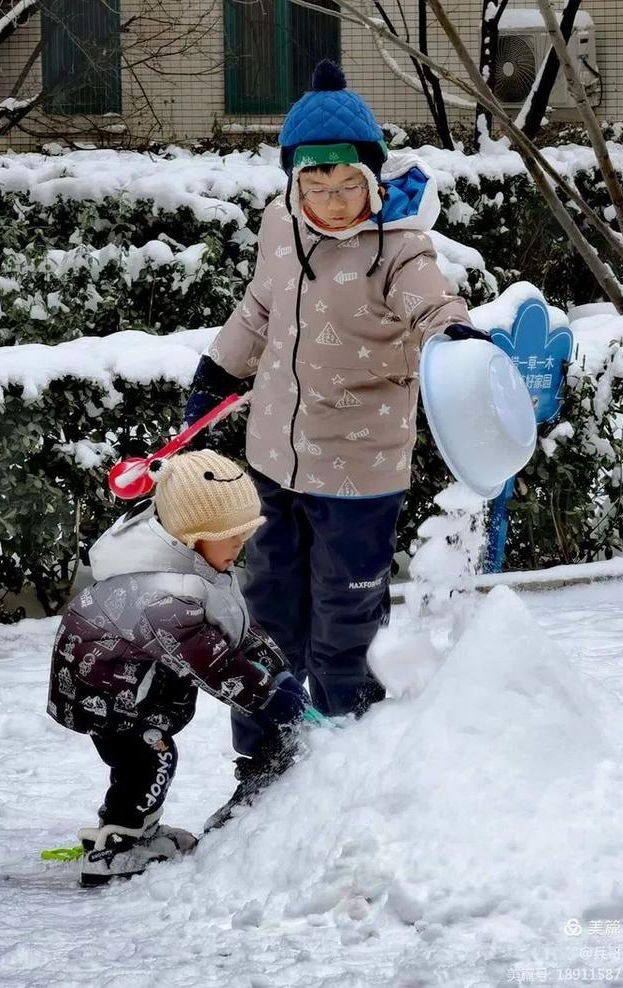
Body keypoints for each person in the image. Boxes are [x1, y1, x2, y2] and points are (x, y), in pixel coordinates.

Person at [184, 60, 489, 754]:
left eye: (349, 183)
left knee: (345, 627)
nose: (334, 201)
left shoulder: (399, 247)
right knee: (265, 626)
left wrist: (459, 338)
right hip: (271, 464)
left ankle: (347, 765)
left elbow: (435, 308)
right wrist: (218, 371)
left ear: (372, 178)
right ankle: (263, 766)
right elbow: (260, 308)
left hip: (359, 472)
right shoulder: (279, 226)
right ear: (293, 180)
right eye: (315, 184)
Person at [47, 449, 310, 886]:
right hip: (109, 699)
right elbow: (209, 658)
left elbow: (234, 627)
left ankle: (132, 829)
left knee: (139, 765)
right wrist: (264, 694)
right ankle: (116, 848)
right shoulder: (161, 594)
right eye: (230, 535)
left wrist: (276, 670)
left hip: (125, 687)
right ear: (193, 534)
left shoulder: (192, 567)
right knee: (151, 760)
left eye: (245, 534)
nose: (240, 545)